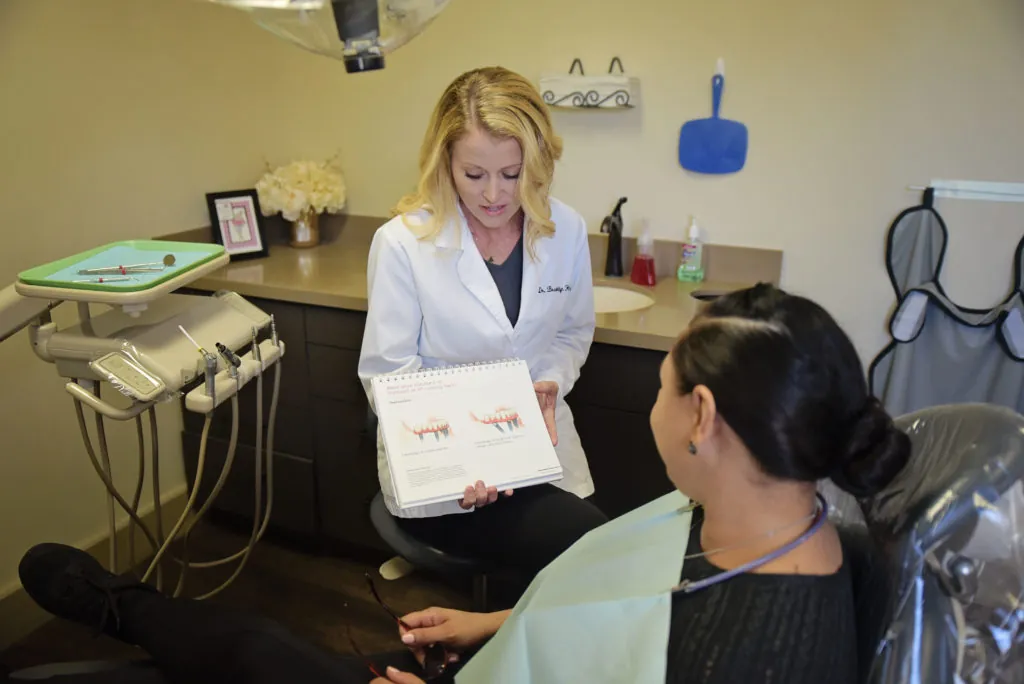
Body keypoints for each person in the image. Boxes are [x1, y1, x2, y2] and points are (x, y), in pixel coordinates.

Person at [13, 283, 910, 683]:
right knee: (256, 655)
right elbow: (620, 612)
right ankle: (125, 615)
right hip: (499, 661)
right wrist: (493, 624)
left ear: (702, 416)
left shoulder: (756, 654)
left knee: (255, 654)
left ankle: (121, 608)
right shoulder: (766, 519)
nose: (654, 407)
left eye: (662, 388)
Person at [356, 66, 607, 582]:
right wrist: (464, 454)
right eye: (474, 175)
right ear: (445, 163)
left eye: (511, 174)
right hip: (445, 468)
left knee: (593, 554)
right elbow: (389, 375)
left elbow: (572, 332)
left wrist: (550, 381)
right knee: (582, 558)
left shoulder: (564, 230)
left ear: (537, 163)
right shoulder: (403, 243)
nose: (494, 194)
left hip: (540, 445)